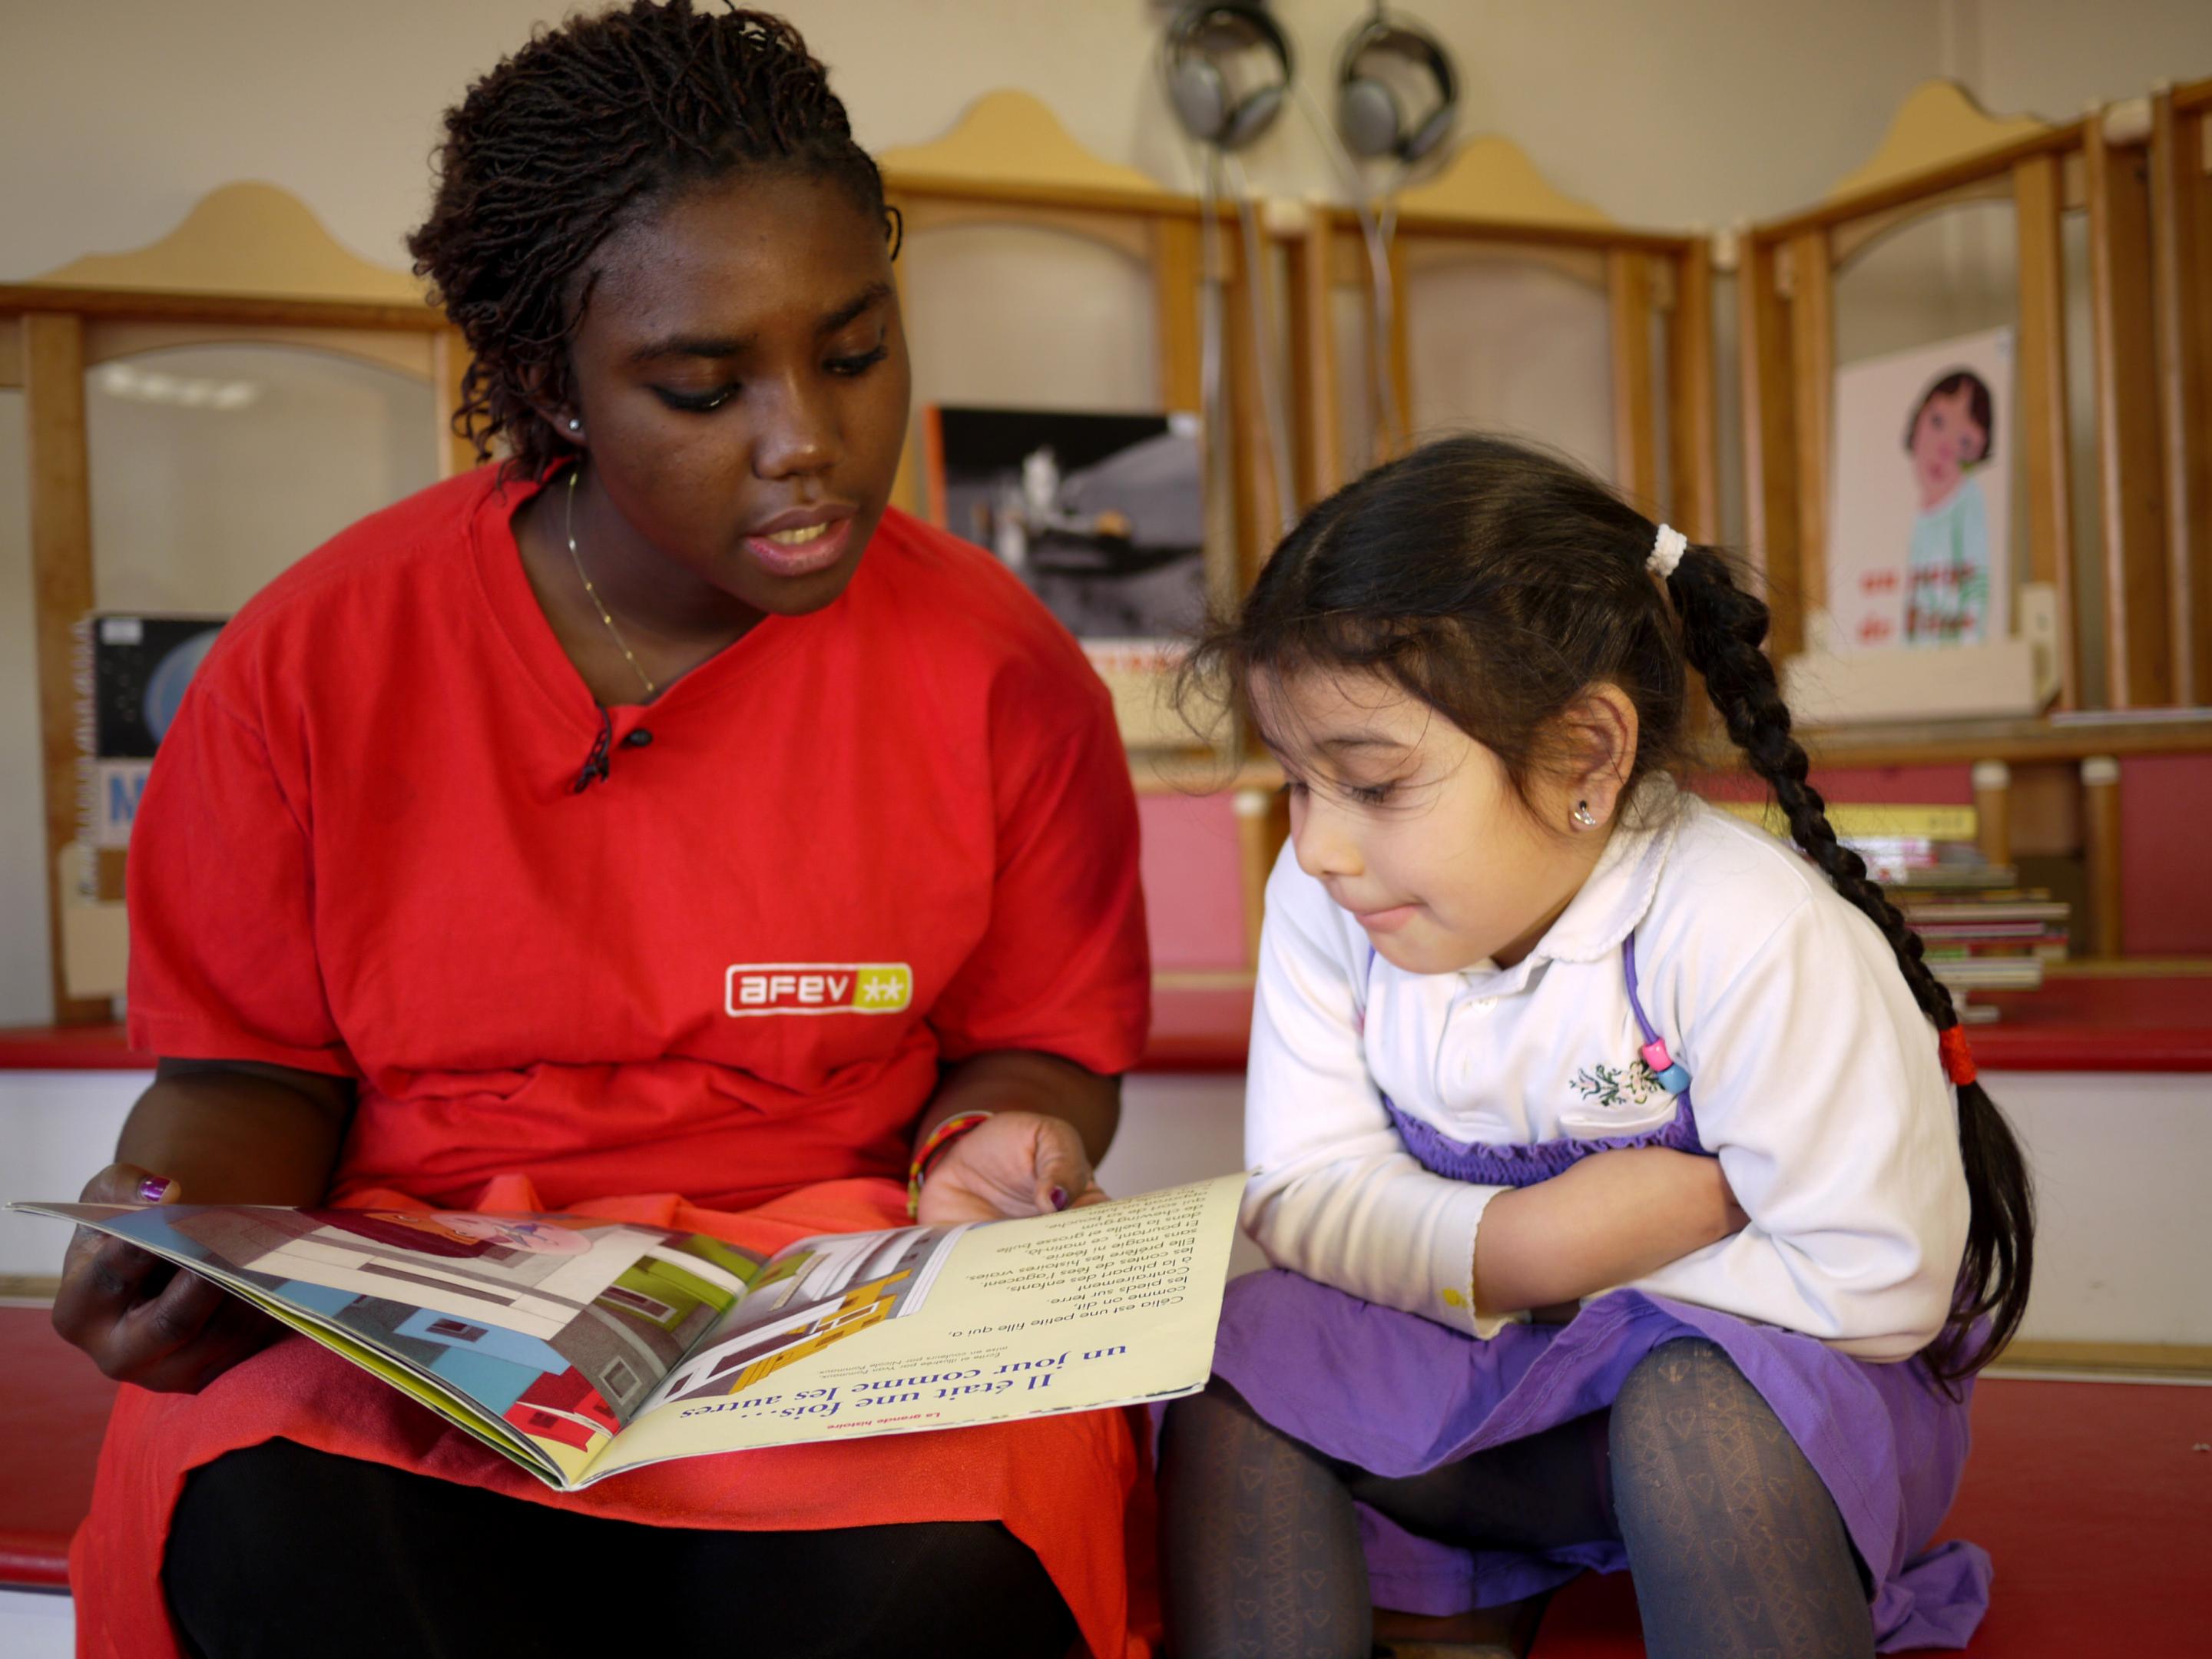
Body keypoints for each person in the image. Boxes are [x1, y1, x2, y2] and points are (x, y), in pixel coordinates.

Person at [49, 7, 1153, 1656]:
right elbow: (250, 1077)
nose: (808, 442)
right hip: (413, 1284)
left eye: (853, 353)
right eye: (705, 387)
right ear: (548, 384)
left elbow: (1043, 1050)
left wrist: (1005, 1141)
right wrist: (184, 1236)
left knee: (936, 1581)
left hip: (838, 1302)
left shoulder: (1003, 667)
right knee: (284, 1544)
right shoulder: (313, 656)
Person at [1159, 435, 2034, 1659]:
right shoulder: (1328, 905)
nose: (1317, 847)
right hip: (1494, 1401)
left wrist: (1590, 1311)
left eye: (1370, 784)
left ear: (1586, 755)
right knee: (1231, 1370)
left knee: (1692, 1407)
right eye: (1298, 783)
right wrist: (1532, 1249)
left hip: (1767, 1420)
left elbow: (1876, 1281)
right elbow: (1301, 1192)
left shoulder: (1748, 929)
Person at [1901, 369, 1995, 645]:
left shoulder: (1969, 501)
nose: (1945, 448)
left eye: (1964, 442)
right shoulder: (1913, 514)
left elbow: (1977, 591)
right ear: (1916, 421)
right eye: (1938, 422)